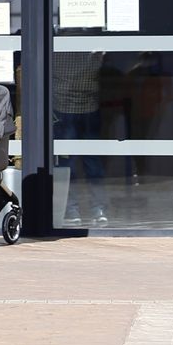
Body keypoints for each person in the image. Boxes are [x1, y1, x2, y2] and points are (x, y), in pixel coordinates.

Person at [53, 49, 109, 225]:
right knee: (92, 163)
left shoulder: (55, 48)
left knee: (67, 163)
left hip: (63, 109)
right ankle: (98, 209)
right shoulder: (94, 49)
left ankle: (71, 210)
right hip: (89, 109)